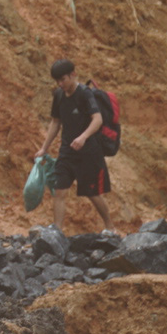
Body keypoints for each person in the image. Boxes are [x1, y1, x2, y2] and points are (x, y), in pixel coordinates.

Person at [34, 59, 114, 233]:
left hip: (89, 152)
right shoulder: (59, 95)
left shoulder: (85, 94)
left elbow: (98, 120)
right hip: (67, 152)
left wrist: (83, 137)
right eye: (57, 81)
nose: (60, 84)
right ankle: (57, 230)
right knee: (59, 190)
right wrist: (44, 148)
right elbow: (55, 122)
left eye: (63, 79)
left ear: (73, 75)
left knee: (92, 193)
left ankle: (110, 228)